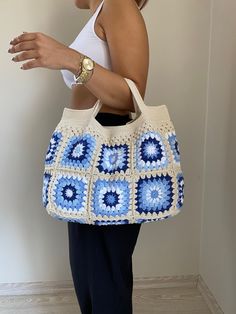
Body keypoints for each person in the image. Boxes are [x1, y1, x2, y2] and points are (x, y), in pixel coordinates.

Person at [8, 0, 149, 313]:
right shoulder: (101, 12)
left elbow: (132, 96)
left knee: (104, 279)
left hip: (111, 155)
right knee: (89, 276)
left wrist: (71, 59)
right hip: (88, 154)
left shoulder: (118, 4)